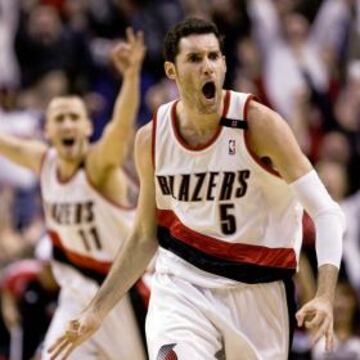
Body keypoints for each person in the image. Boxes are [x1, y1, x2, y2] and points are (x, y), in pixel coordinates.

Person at [48, 18, 344, 360]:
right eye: (195, 59)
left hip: (258, 288)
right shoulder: (152, 138)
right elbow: (146, 234)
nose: (207, 67)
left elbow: (326, 212)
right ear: (171, 71)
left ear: (224, 63)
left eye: (214, 57)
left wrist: (324, 295)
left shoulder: (258, 124)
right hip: (182, 285)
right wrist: (96, 310)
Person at [0, 28, 146, 359]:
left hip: (119, 293)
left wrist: (132, 76)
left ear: (87, 127)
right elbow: (6, 143)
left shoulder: (99, 165)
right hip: (76, 293)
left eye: (74, 118)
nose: (67, 125)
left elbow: (121, 129)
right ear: (47, 130)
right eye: (60, 119)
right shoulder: (44, 161)